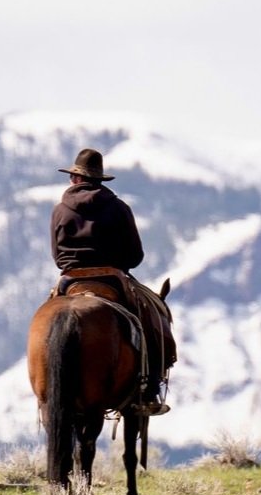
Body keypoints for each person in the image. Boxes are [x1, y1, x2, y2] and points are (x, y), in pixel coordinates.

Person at [48, 147, 173, 415]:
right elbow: (135, 255)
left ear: (75, 179)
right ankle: (149, 389)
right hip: (112, 278)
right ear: (98, 180)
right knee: (148, 319)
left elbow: (58, 257)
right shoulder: (118, 208)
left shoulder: (60, 210)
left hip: (71, 280)